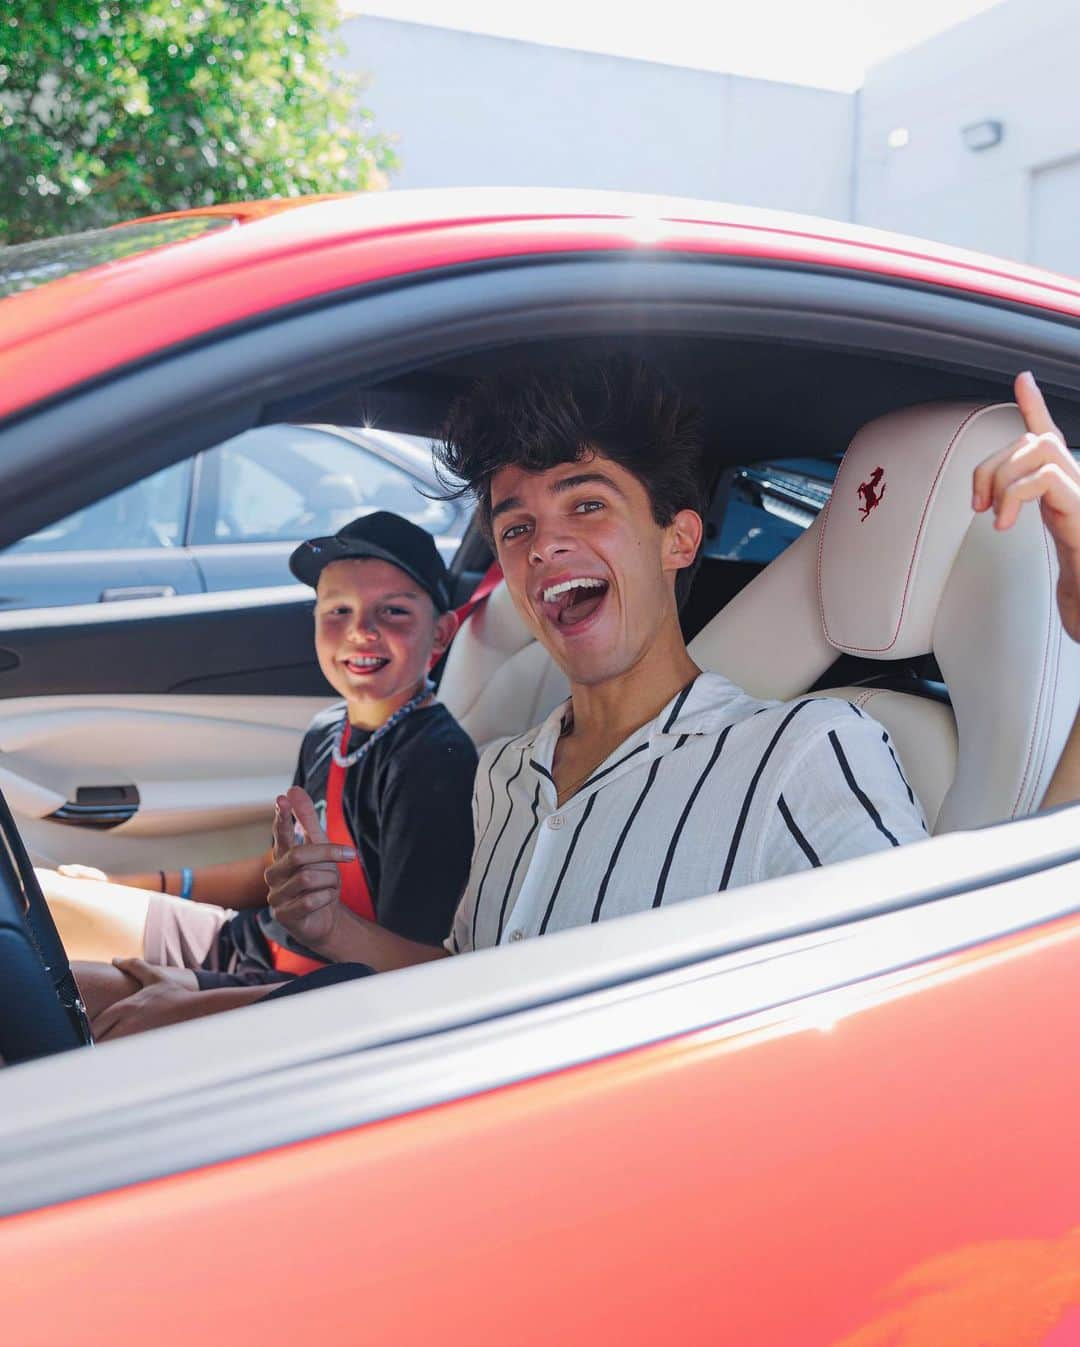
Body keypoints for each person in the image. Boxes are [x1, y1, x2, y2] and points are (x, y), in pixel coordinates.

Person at [74, 512, 478, 1035]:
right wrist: (136, 884)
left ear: (441, 633)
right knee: (41, 904)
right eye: (338, 610)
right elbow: (276, 868)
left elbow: (404, 974)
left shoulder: (433, 764)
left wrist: (194, 1002)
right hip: (248, 944)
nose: (361, 630)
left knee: (62, 1003)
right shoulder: (328, 730)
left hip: (309, 987)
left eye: (393, 611)